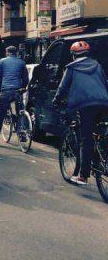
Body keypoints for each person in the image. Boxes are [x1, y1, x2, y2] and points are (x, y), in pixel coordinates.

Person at [53, 41, 108, 185]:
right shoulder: (97, 65)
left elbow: (63, 87)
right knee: (101, 133)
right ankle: (102, 154)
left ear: (73, 55)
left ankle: (83, 176)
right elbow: (105, 83)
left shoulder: (71, 68)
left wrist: (57, 100)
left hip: (85, 105)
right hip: (103, 103)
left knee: (86, 138)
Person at [0, 46, 29, 145]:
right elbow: (25, 78)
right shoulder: (21, 62)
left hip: (6, 90)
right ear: (16, 52)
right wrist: (23, 87)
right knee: (20, 113)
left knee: (0, 116)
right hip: (17, 90)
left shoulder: (2, 61)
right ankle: (22, 135)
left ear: (7, 52)